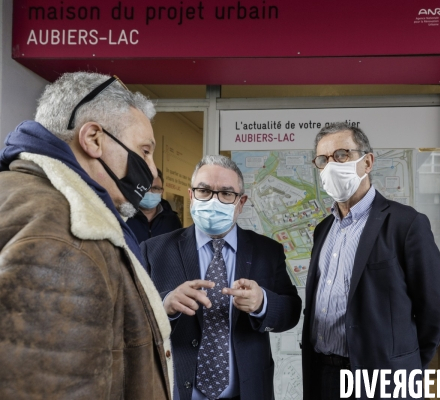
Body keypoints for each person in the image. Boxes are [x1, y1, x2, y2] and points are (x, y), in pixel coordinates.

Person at [0, 72, 174, 399]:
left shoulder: (21, 193)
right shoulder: (70, 233)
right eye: (145, 151)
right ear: (93, 138)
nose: (151, 171)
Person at [302, 122, 440, 400]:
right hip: (324, 376)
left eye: (342, 155)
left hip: (382, 381)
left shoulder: (406, 224)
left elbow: (435, 310)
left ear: (367, 162)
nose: (332, 166)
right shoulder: (323, 230)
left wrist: (406, 366)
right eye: (323, 160)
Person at [142, 154, 302, 400]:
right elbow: (130, 318)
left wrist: (262, 304)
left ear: (241, 202)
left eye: (227, 194)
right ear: (191, 195)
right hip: (176, 391)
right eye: (204, 191)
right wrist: (164, 306)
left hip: (247, 392)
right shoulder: (154, 250)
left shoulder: (267, 251)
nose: (214, 201)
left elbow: (290, 312)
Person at [127, 168, 183, 243]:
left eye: (155, 188)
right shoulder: (124, 218)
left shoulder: (172, 220)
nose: (149, 192)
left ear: (162, 192)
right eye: (145, 187)